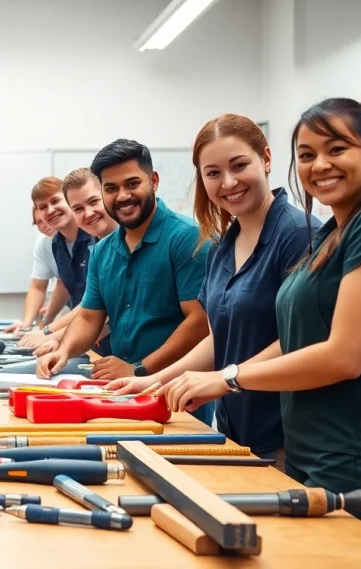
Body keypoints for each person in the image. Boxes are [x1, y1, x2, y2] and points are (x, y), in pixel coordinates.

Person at [158, 80, 361, 544]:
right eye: (306, 155)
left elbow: (343, 356)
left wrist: (228, 378)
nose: (320, 165)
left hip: (357, 451)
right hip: (310, 444)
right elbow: (296, 337)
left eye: (337, 149)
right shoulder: (332, 236)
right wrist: (171, 378)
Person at [107, 114, 320, 466]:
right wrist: (154, 381)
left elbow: (301, 338)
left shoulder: (300, 235)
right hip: (238, 428)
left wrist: (224, 379)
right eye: (214, 173)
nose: (229, 182)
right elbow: (218, 337)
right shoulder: (224, 243)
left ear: (266, 160)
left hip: (287, 435)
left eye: (239, 165)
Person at [36, 139, 213, 424]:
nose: (122, 196)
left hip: (177, 400)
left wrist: (139, 369)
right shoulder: (103, 251)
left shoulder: (187, 238)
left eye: (132, 183)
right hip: (120, 393)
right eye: (111, 188)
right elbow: (89, 317)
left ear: (153, 181)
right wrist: (63, 351)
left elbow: (199, 322)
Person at [23, 168, 118, 355]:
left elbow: (100, 308)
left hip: (107, 337)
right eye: (42, 207)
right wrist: (38, 326)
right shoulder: (53, 243)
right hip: (87, 335)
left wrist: (49, 333)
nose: (50, 210)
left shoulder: (100, 238)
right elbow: (62, 285)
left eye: (55, 201)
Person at [4, 206, 70, 335]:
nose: (45, 225)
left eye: (47, 219)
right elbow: (38, 287)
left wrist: (45, 327)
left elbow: (65, 285)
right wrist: (27, 323)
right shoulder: (45, 243)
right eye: (39, 222)